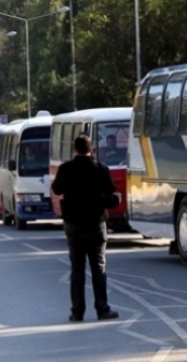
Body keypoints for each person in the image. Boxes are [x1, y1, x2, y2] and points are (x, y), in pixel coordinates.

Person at [51, 135, 121, 322]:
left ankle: (77, 311)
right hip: (95, 225)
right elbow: (111, 193)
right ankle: (102, 309)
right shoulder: (100, 169)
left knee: (77, 269)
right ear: (92, 149)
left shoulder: (66, 169)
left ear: (75, 149)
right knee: (98, 268)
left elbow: (56, 190)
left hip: (74, 226)